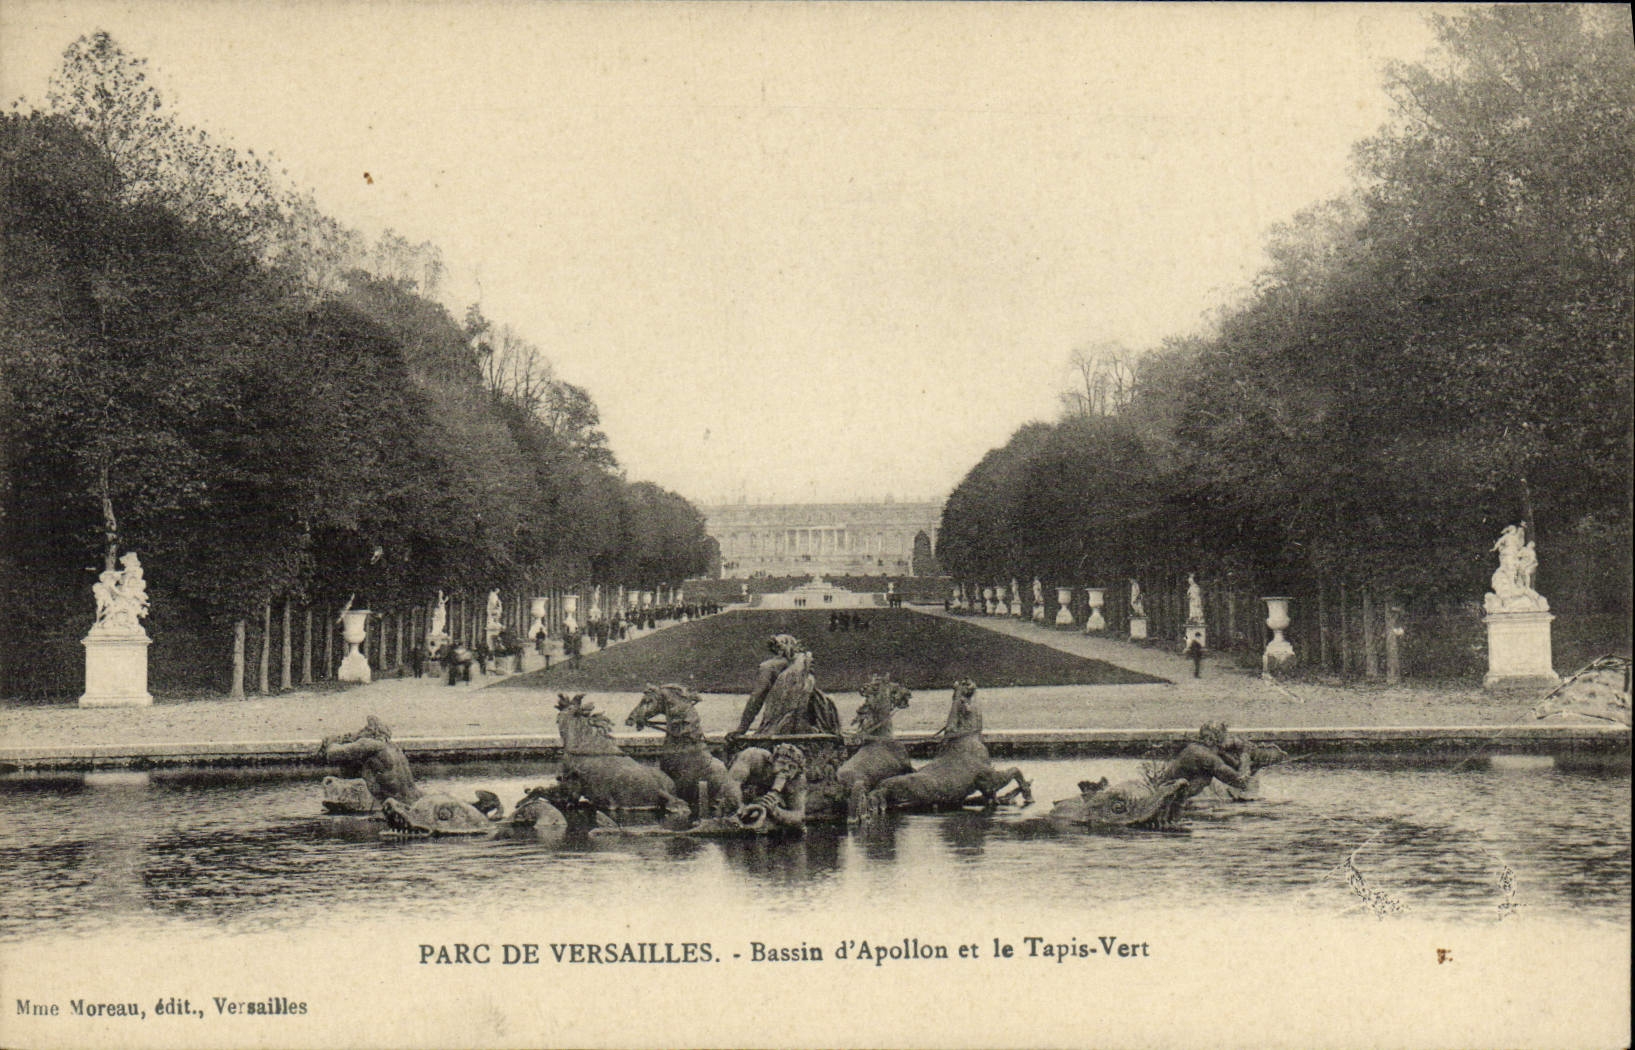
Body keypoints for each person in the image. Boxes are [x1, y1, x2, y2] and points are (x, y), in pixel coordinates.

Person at [318, 716, 422, 805]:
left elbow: (333, 754)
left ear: (369, 730)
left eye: (362, 729)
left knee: (331, 782)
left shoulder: (369, 744)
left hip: (388, 805)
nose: (358, 732)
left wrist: (331, 742)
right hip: (411, 801)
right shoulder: (394, 748)